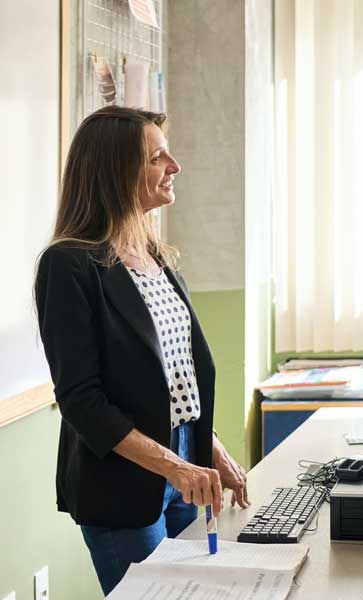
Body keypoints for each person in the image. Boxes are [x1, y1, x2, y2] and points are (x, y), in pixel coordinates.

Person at [35, 106, 250, 595]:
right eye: (157, 157)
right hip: (122, 485)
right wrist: (174, 464)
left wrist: (208, 450)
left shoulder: (155, 257)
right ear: (117, 171)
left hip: (179, 468)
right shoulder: (69, 265)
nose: (174, 165)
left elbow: (177, 379)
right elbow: (82, 402)